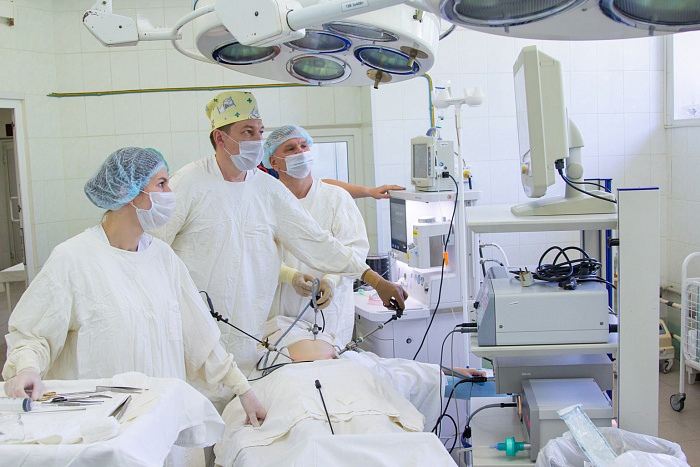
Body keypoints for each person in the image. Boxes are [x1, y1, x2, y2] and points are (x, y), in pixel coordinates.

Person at [2, 147, 266, 428]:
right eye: (161, 184)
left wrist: (243, 391)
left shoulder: (163, 258)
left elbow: (201, 339)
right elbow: (33, 335)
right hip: (102, 427)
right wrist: (27, 368)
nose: (170, 193)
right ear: (127, 191)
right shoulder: (74, 259)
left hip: (163, 421)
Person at [151, 91, 407, 378]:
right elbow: (151, 248)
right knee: (202, 395)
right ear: (220, 138)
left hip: (251, 331)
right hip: (198, 327)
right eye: (247, 132)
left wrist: (375, 280)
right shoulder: (188, 183)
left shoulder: (267, 189)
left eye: (260, 132)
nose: (256, 140)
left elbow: (315, 241)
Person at [264, 125, 370, 348]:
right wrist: (290, 276)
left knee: (330, 363)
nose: (300, 152)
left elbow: (356, 249)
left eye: (304, 146)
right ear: (274, 162)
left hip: (330, 315)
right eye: (290, 148)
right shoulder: (266, 202)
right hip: (281, 315)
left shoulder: (336, 199)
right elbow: (257, 254)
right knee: (285, 364)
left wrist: (331, 280)